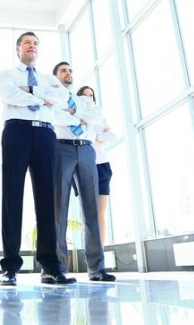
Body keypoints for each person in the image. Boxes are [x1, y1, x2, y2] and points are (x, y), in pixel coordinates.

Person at [0, 31, 76, 285]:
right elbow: (10, 95)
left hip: (45, 134)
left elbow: (62, 97)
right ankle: (10, 267)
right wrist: (42, 96)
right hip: (16, 130)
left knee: (46, 198)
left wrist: (30, 90)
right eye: (27, 43)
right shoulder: (6, 75)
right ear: (18, 48)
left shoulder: (48, 78)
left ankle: (51, 266)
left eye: (36, 44)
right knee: (12, 196)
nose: (32, 46)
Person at [52, 62, 116, 282]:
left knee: (92, 209)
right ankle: (58, 268)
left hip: (87, 151)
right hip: (62, 149)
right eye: (63, 70)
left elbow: (97, 118)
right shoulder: (52, 96)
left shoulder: (83, 100)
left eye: (70, 70)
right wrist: (80, 116)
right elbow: (57, 117)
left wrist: (75, 111)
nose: (68, 73)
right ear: (55, 77)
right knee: (59, 209)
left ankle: (97, 269)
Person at [77, 86, 116, 246]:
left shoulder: (100, 117)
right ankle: (90, 255)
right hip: (83, 165)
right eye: (84, 95)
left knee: (101, 213)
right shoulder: (77, 115)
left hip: (102, 166)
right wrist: (99, 137)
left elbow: (112, 136)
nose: (88, 97)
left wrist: (94, 136)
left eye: (91, 95)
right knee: (86, 214)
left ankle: (99, 254)